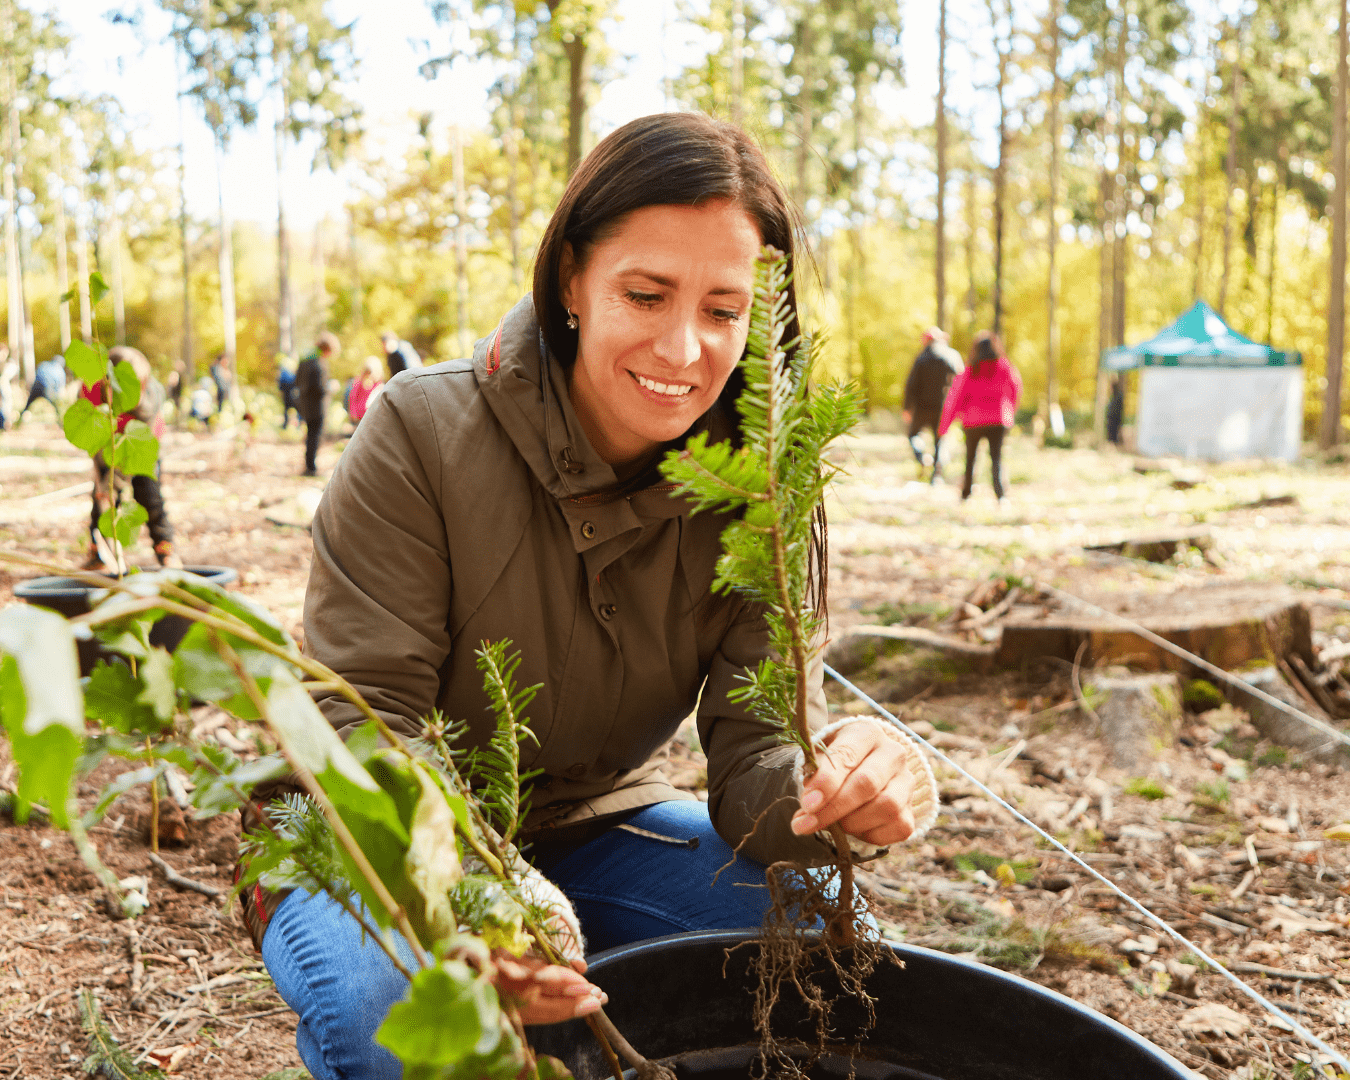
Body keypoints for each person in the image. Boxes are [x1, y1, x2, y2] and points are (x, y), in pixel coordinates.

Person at [239, 113, 936, 1080]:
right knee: (402, 1021)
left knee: (822, 937)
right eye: (645, 293)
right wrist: (485, 897)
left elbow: (754, 760)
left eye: (724, 310)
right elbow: (357, 724)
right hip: (361, 833)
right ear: (572, 279)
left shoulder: (763, 493)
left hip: (594, 823)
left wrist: (839, 791)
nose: (685, 347)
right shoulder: (421, 433)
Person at [81, 347, 182, 570]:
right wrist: (103, 478)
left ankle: (166, 550)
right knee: (102, 501)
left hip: (142, 444)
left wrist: (121, 474)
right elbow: (88, 429)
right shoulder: (93, 391)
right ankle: (100, 553)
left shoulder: (152, 396)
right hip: (108, 444)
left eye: (139, 386)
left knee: (150, 495)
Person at [938, 330, 1023, 503]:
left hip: (972, 421)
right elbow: (1016, 389)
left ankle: (966, 494)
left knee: (970, 459)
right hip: (998, 419)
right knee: (996, 459)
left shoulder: (970, 370)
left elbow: (956, 397)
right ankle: (1001, 496)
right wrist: (1010, 411)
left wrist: (944, 426)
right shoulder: (1004, 367)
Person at [901, 327, 963, 483]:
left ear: (927, 341)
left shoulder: (921, 358)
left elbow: (911, 384)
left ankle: (922, 457)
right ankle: (936, 476)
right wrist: (960, 406)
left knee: (913, 435)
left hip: (922, 406)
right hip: (943, 406)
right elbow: (961, 380)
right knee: (940, 440)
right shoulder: (952, 356)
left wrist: (907, 407)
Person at [295, 332, 338, 476]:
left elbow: (297, 381)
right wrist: (331, 387)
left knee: (309, 435)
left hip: (305, 404)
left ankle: (308, 464)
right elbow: (320, 388)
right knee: (314, 436)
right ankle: (311, 467)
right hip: (317, 407)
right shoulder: (319, 363)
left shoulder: (305, 359)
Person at [19, 355, 67, 423]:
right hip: (48, 388)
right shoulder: (60, 371)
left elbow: (37, 375)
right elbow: (59, 387)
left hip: (36, 387)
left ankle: (19, 420)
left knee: (28, 404)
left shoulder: (44, 364)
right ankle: (61, 421)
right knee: (55, 405)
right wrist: (56, 395)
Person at [346, 356, 384, 425]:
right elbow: (352, 399)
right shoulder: (357, 384)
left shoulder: (379, 387)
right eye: (366, 372)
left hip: (371, 420)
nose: (368, 375)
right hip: (358, 420)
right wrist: (353, 415)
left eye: (370, 373)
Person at [277, 355, 298, 429]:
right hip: (292, 394)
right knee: (296, 410)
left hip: (287, 394)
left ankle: (286, 426)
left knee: (287, 410)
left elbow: (280, 386)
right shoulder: (288, 373)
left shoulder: (283, 373)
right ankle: (295, 426)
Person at [1105, 375, 1125, 446]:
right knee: (1111, 435)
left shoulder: (1118, 396)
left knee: (1114, 435)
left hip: (1115, 419)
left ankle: (1115, 446)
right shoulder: (1114, 396)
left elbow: (1118, 409)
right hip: (1112, 419)